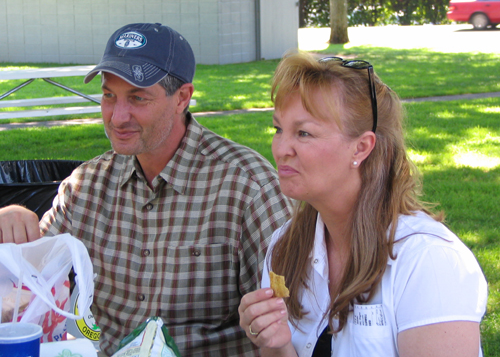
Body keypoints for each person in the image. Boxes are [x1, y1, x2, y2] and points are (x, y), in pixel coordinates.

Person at [0, 23, 292, 356]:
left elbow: (293, 316)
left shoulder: (247, 187)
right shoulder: (87, 186)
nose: (117, 117)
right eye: (109, 95)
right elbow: (26, 281)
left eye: (137, 98)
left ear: (182, 97)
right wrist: (13, 220)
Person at [238, 52, 488, 357]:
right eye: (278, 129)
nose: (280, 149)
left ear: (361, 147)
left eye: (303, 133)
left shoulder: (429, 262)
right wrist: (275, 345)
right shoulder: (285, 249)